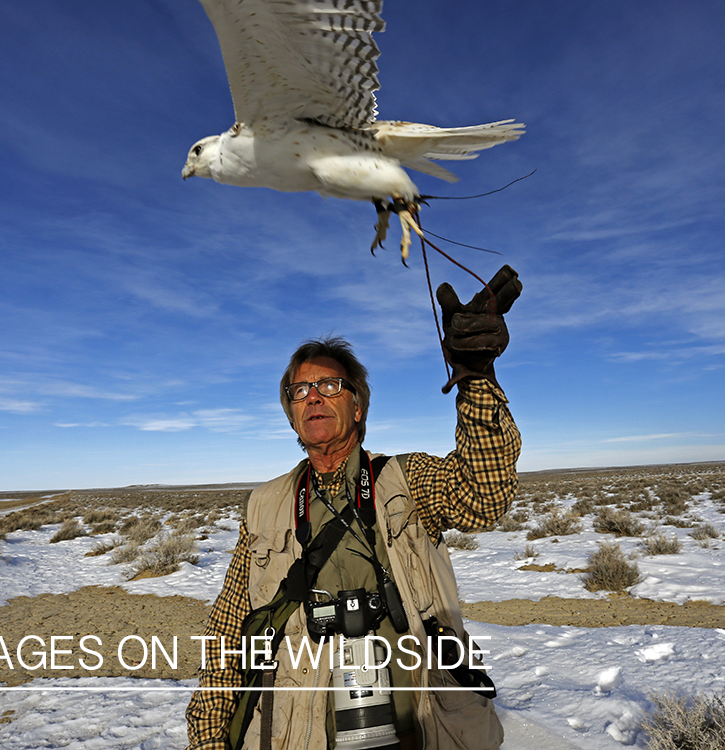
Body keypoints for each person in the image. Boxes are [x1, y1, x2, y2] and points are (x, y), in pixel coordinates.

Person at [185, 266, 522, 750]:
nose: (314, 398)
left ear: (358, 406)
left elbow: (482, 495)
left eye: (330, 386)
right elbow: (230, 634)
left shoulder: (405, 479)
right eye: (300, 391)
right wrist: (210, 739)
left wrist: (476, 378)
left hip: (423, 728)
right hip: (302, 735)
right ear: (292, 415)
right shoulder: (264, 505)